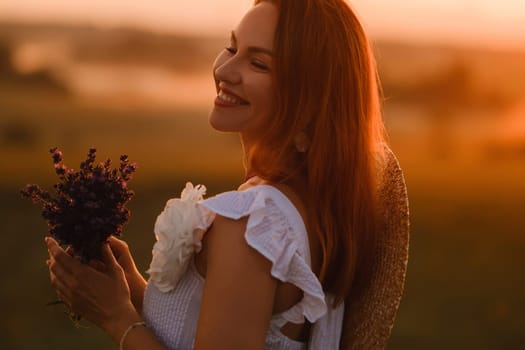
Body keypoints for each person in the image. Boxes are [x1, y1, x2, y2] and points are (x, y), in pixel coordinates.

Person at [45, 0, 388, 349]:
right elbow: (210, 327)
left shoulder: (252, 225)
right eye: (231, 47)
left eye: (258, 63)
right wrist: (131, 289)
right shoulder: (303, 207)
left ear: (310, 100)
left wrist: (116, 318)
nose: (225, 69)